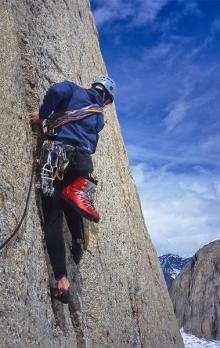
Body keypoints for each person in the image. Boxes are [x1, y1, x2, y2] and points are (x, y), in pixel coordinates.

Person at [29, 76, 116, 303]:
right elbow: (93, 144)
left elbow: (56, 92)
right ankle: (77, 241)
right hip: (82, 162)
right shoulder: (99, 118)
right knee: (70, 196)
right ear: (106, 99)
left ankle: (62, 282)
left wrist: (44, 115)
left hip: (57, 155)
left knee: (53, 216)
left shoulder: (72, 89)